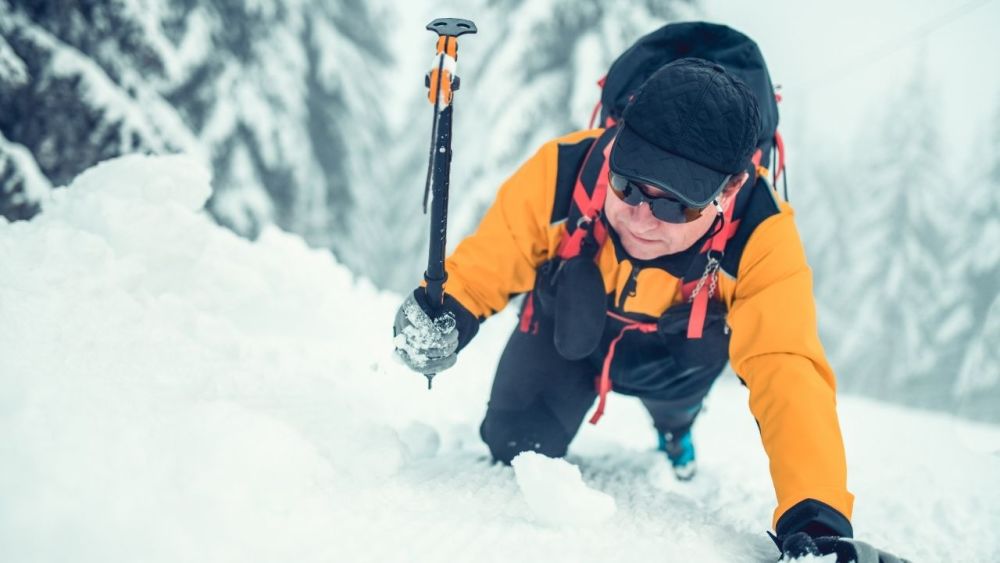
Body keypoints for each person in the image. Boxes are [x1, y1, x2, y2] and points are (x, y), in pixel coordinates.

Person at [393, 56, 904, 562]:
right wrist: (445, 310)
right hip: (569, 336)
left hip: (676, 359)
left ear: (728, 190)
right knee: (512, 442)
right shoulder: (563, 170)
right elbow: (493, 256)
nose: (641, 218)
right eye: (627, 185)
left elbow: (787, 368)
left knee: (677, 409)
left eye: (674, 205)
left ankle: (676, 431)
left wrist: (816, 517)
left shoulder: (762, 234)